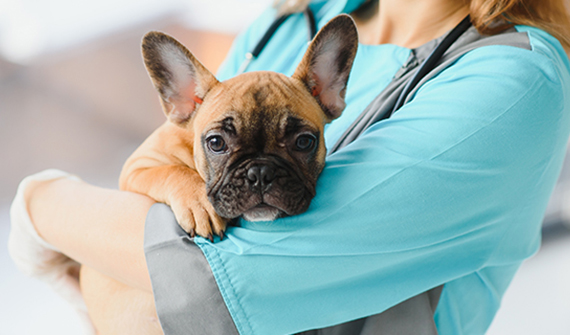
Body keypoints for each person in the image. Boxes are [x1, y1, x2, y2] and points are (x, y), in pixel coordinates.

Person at [9, 0, 570, 334]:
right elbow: (155, 163)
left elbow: (215, 287)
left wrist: (44, 206)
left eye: (300, 140)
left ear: (330, 90)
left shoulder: (513, 78)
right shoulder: (294, 19)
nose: (255, 175)